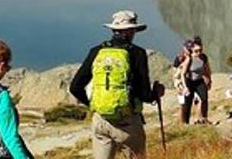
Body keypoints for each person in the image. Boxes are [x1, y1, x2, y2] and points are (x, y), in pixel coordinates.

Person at [70, 10, 165, 159]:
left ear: (114, 30)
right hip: (127, 122)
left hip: (100, 120)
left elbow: (75, 87)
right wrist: (157, 93)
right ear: (130, 31)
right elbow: (144, 94)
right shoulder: (137, 53)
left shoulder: (97, 51)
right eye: (133, 30)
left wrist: (96, 105)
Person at [171, 36, 212, 125]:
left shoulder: (203, 57)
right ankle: (185, 122)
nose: (198, 52)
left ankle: (204, 118)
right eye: (196, 51)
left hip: (199, 81)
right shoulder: (189, 59)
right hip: (189, 81)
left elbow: (207, 69)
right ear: (192, 50)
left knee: (204, 98)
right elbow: (183, 73)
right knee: (187, 102)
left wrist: (209, 80)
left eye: (200, 50)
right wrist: (185, 87)